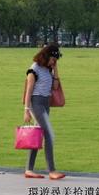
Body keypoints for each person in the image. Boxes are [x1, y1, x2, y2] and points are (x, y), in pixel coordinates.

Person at [23, 42, 65, 180]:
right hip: (36, 104)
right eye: (53, 59)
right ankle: (52, 171)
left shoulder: (48, 69)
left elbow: (55, 86)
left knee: (38, 135)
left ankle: (29, 169)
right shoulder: (34, 68)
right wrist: (27, 110)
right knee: (49, 134)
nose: (53, 62)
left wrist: (55, 69)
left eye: (55, 60)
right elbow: (28, 91)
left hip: (46, 103)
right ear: (46, 56)